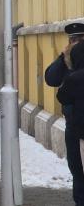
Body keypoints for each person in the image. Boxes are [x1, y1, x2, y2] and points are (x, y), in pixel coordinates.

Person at [45, 22, 84, 206]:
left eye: (78, 39)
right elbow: (51, 78)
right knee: (76, 168)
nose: (74, 43)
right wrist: (63, 57)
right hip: (72, 124)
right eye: (72, 40)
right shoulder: (67, 60)